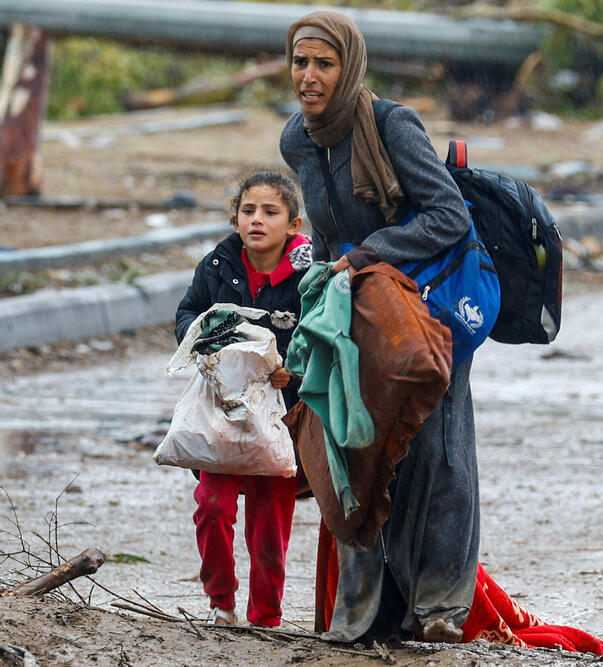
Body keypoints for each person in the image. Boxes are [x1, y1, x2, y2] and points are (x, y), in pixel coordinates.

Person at [280, 10, 479, 644]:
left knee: (437, 451)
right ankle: (365, 612)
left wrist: (367, 254)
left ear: (351, 67)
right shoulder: (297, 140)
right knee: (354, 446)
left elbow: (449, 216)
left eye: (324, 63)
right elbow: (329, 228)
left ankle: (442, 607)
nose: (309, 77)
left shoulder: (393, 125)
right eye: (300, 62)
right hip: (357, 311)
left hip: (426, 308)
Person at [174, 171, 313, 627]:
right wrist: (201, 340)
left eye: (270, 212)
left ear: (293, 225)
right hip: (223, 413)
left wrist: (294, 368)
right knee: (211, 505)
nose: (257, 220)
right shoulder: (217, 267)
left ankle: (266, 617)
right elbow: (188, 313)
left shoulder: (308, 275)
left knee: (269, 525)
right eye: (248, 211)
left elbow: (321, 331)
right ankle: (221, 602)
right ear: (235, 220)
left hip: (281, 421)